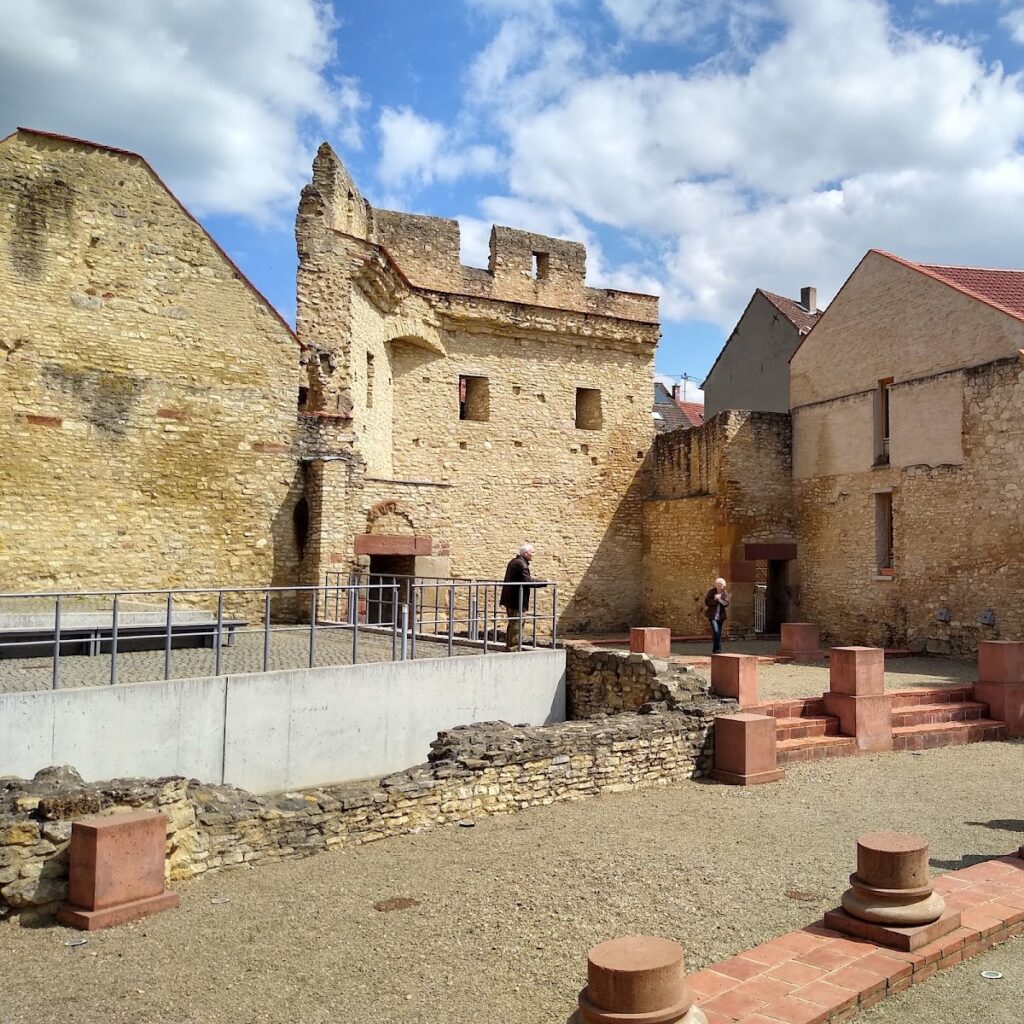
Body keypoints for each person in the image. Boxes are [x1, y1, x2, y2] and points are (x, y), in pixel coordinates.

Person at [500, 543, 547, 651]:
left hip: (511, 598)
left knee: (513, 623)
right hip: (517, 600)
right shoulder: (521, 564)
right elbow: (528, 582)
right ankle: (513, 648)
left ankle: (510, 646)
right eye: (532, 552)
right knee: (517, 624)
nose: (533, 554)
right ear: (526, 554)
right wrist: (545, 582)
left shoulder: (515, 561)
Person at [704, 577, 729, 654]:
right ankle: (718, 649)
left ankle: (716, 649)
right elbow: (707, 602)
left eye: (721, 585)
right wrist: (715, 600)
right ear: (716, 585)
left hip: (720, 617)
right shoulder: (712, 592)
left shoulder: (725, 593)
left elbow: (726, 604)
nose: (719, 587)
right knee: (716, 631)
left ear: (724, 586)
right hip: (712, 616)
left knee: (718, 633)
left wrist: (719, 600)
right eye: (718, 585)